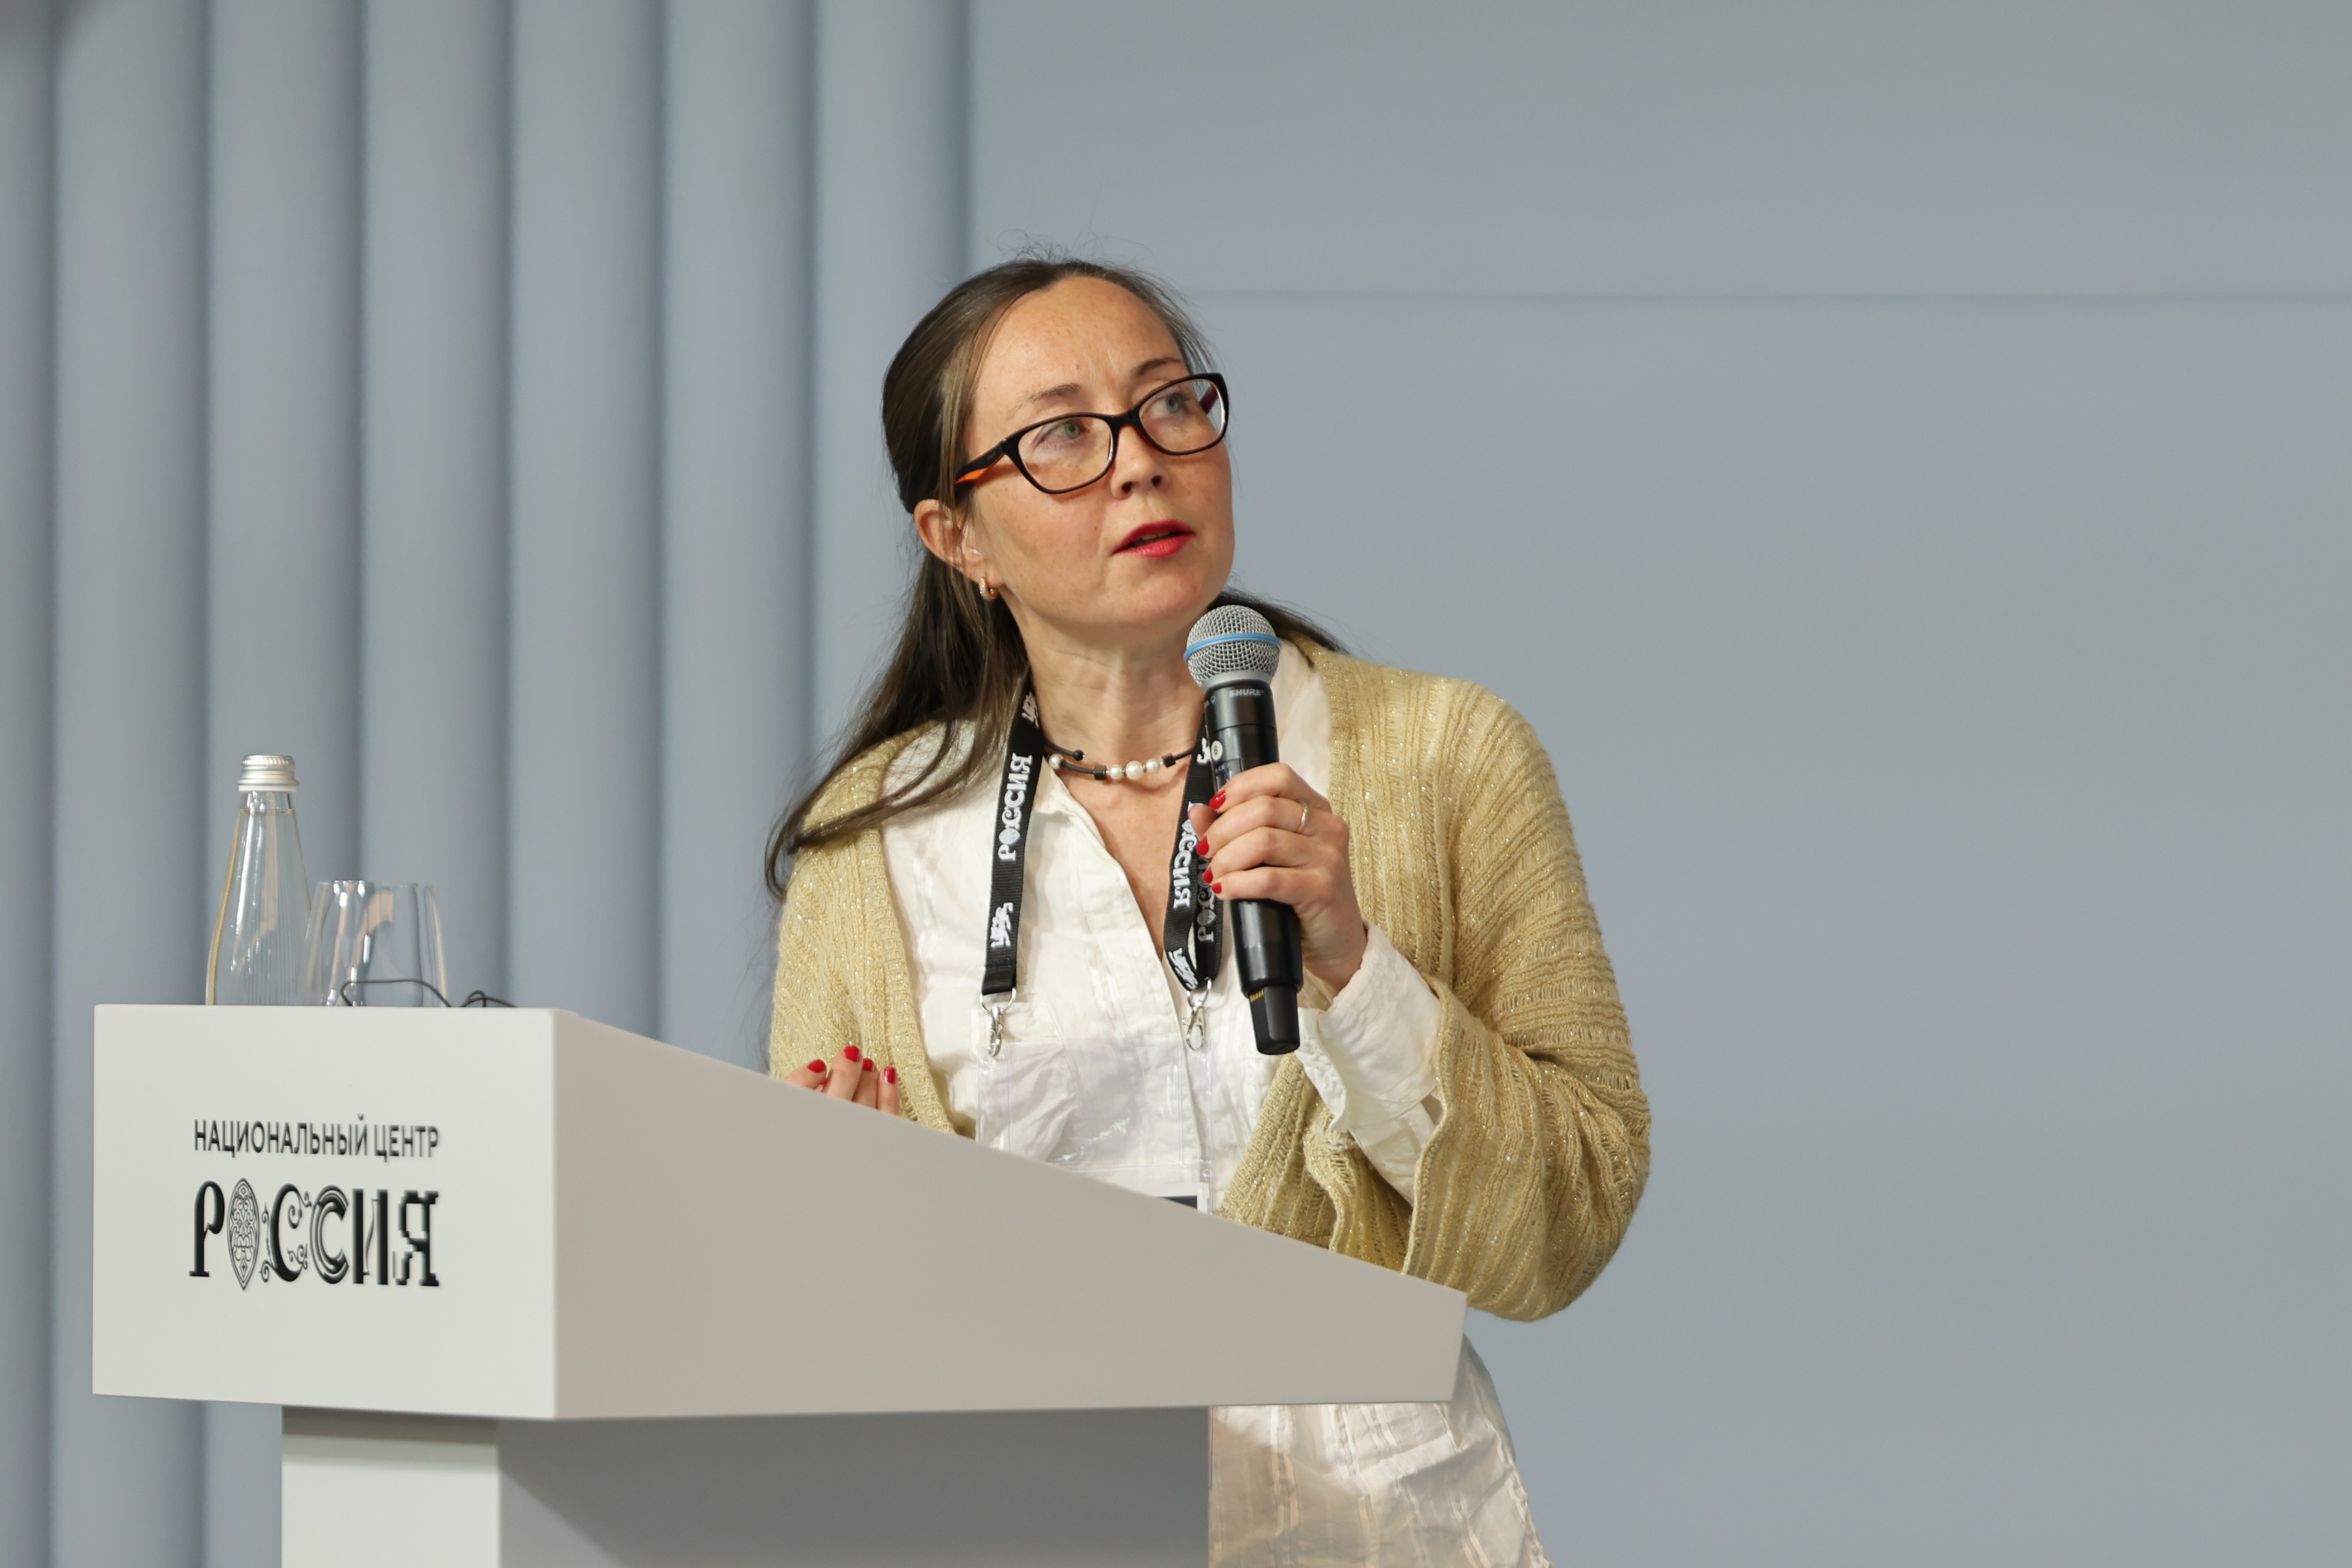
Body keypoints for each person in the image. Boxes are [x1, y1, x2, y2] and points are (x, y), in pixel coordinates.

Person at [766, 255, 1649, 1567]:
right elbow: (813, 1319)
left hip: (1383, 1536)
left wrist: (1359, 970)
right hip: (1021, 1524)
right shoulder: (873, 840)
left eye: (1170, 406)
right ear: (958, 539)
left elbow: (1567, 1226)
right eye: (1062, 437)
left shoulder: (1447, 755)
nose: (1139, 462)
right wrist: (831, 1220)